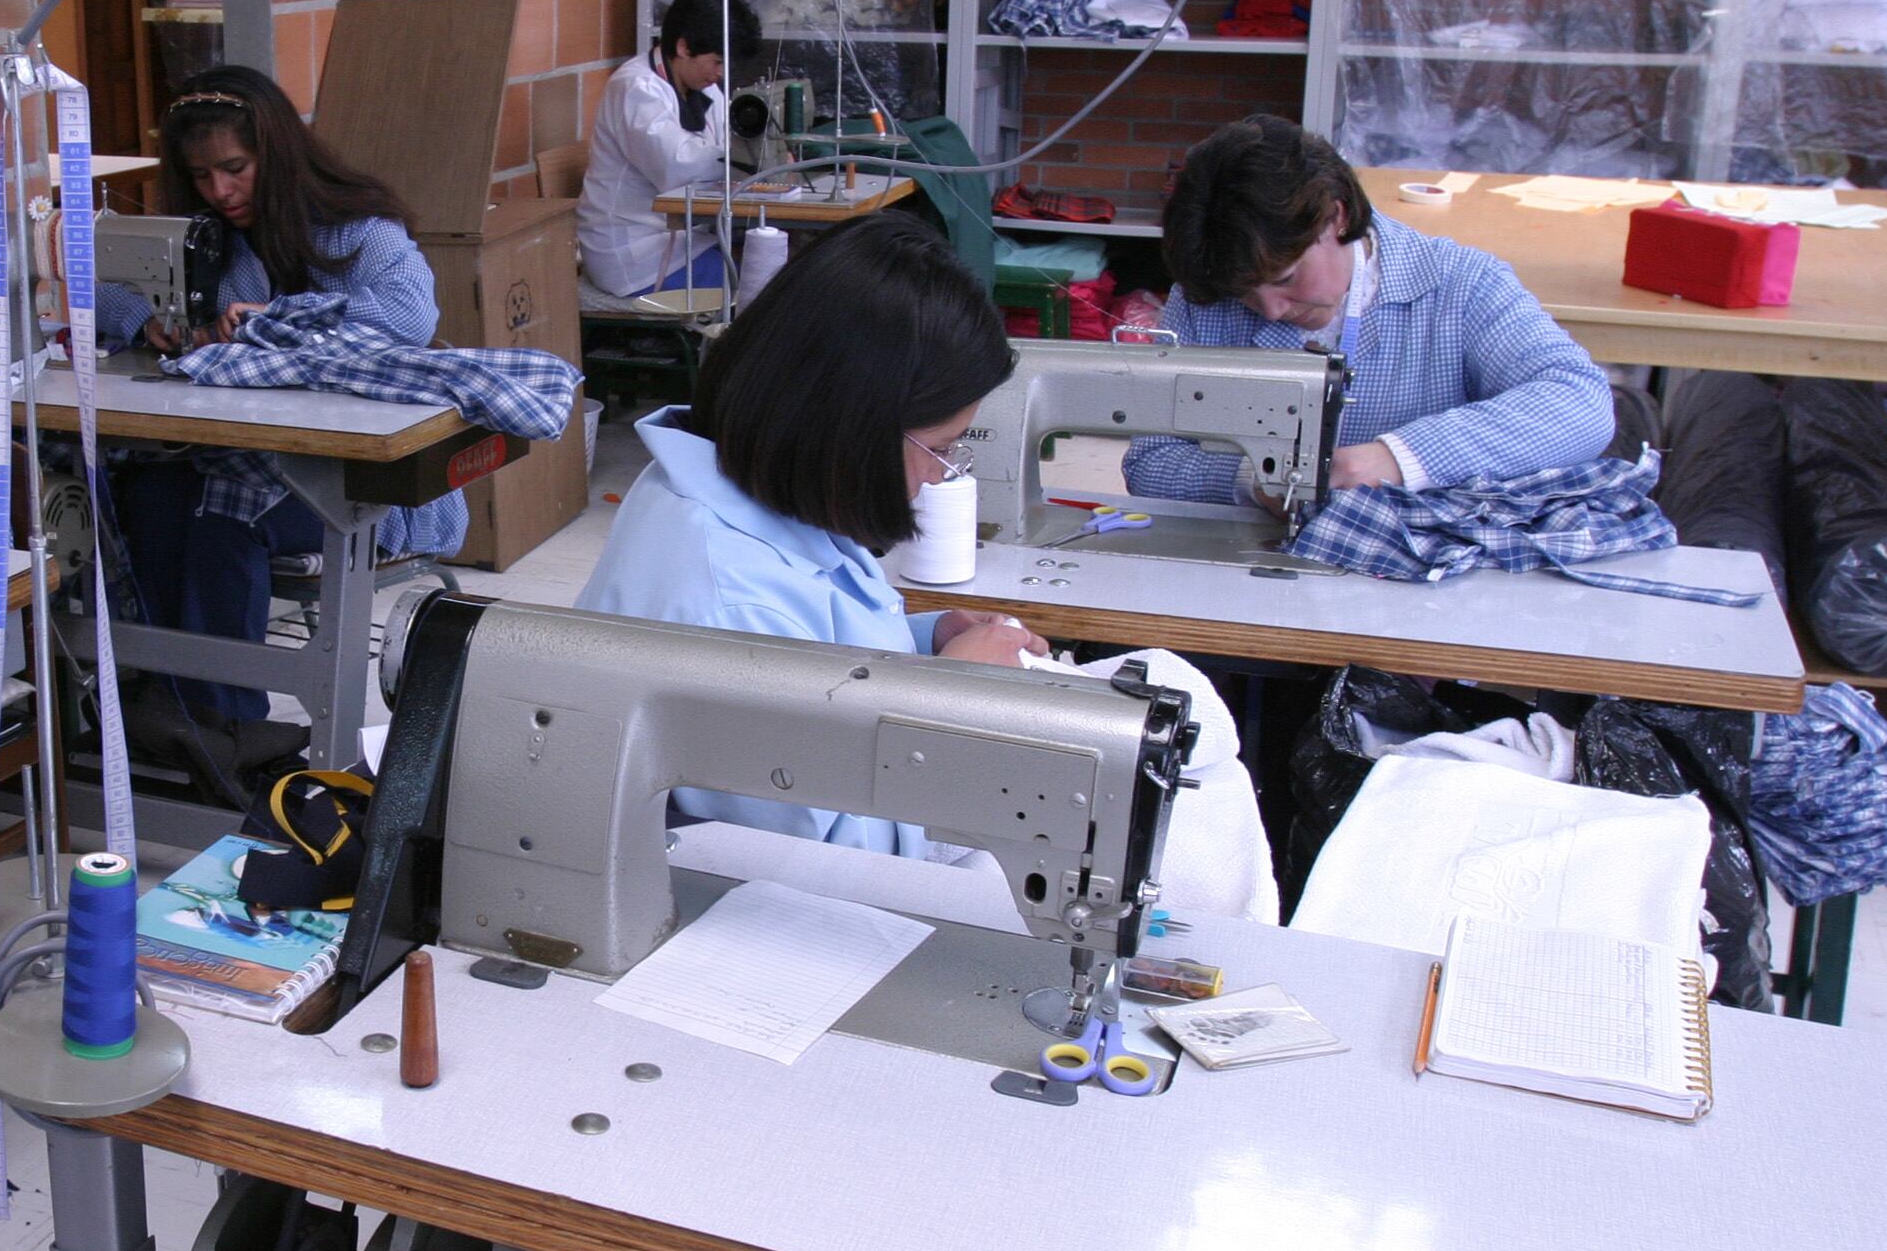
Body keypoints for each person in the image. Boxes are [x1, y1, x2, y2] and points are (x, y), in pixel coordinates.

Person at [576, 212, 1042, 855]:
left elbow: (814, 657)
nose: (940, 477)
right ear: (851, 431)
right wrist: (950, 698)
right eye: (938, 448)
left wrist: (923, 642)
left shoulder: (765, 490)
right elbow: (841, 863)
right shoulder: (728, 600)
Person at [93, 65, 462, 743]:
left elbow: (410, 317)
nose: (219, 190)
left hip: (366, 477)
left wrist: (279, 318)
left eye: (234, 168)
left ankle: (228, 734)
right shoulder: (211, 239)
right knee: (147, 495)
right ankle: (165, 710)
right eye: (200, 176)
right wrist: (146, 322)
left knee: (221, 520)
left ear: (278, 154)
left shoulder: (362, 230)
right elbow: (104, 286)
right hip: (251, 456)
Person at [1122, 115, 1614, 506]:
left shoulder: (1460, 285)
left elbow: (1581, 404)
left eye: (1286, 279)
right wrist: (1254, 480)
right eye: (1248, 295)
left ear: (1335, 216)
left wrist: (1400, 459)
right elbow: (1151, 460)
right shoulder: (1210, 296)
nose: (1269, 312)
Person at [577, 0, 763, 309]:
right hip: (635, 254)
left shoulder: (704, 88)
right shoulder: (636, 88)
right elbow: (675, 167)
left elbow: (719, 146)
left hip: (679, 240)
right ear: (683, 46)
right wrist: (749, 154)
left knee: (773, 261)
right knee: (767, 282)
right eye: (716, 61)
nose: (720, 73)